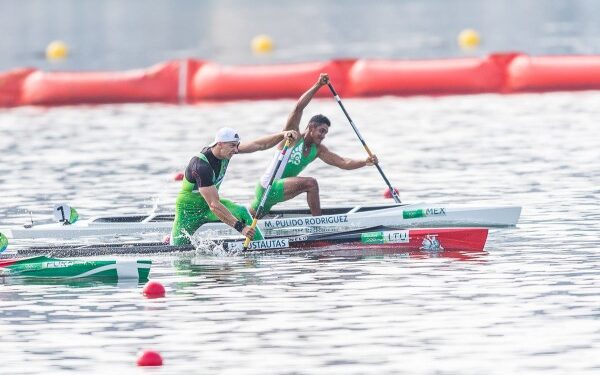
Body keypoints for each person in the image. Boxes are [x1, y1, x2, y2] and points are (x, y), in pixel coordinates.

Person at [250, 73, 378, 217]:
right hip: (267, 187)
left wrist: (365, 162)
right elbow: (298, 108)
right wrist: (318, 85)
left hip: (274, 193)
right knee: (311, 183)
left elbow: (343, 162)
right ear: (311, 127)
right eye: (321, 131)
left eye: (325, 133)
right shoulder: (293, 137)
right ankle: (319, 222)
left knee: (252, 218)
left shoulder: (317, 150)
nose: (323, 136)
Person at [171, 127, 298, 245]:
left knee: (242, 211)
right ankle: (170, 239)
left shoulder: (226, 151)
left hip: (209, 206)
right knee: (179, 252)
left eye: (237, 146)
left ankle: (261, 245)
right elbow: (214, 205)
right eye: (233, 146)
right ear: (220, 143)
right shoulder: (200, 166)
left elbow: (259, 145)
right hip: (189, 212)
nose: (236, 150)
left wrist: (282, 135)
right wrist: (241, 228)